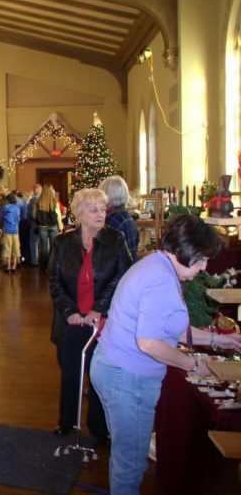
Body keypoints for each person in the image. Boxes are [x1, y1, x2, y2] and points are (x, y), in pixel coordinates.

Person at [90, 214, 241, 493]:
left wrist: (223, 341)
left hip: (118, 369)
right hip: (127, 376)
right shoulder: (159, 279)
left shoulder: (158, 267)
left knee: (128, 457)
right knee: (131, 464)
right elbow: (148, 342)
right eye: (203, 260)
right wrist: (194, 363)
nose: (205, 267)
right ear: (187, 253)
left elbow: (173, 329)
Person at [47, 188, 132, 444]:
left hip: (103, 323)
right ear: (79, 214)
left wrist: (99, 308)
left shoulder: (116, 239)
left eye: (103, 209)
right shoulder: (63, 242)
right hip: (71, 321)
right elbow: (54, 280)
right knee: (71, 373)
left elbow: (123, 277)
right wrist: (69, 311)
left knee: (99, 377)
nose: (100, 214)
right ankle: (68, 423)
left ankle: (99, 428)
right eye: (93, 210)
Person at [98, 175, 140, 261]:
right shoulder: (126, 216)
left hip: (119, 272)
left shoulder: (111, 219)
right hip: (130, 269)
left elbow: (106, 254)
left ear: (108, 195)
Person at [34, 185, 61, 268]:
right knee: (53, 247)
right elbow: (58, 215)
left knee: (44, 247)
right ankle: (52, 265)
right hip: (53, 226)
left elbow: (34, 215)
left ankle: (44, 265)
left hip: (42, 226)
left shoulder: (38, 202)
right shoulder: (54, 202)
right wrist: (60, 226)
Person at [0, 192, 21, 273]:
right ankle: (14, 267)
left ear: (7, 200)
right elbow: (19, 218)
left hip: (7, 230)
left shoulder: (5, 208)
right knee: (15, 248)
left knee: (7, 247)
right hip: (15, 230)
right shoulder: (17, 208)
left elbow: (1, 218)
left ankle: (8, 266)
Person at [26, 184, 42, 265]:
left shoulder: (33, 199)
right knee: (43, 242)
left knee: (34, 242)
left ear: (35, 190)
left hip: (35, 223)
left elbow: (29, 212)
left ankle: (35, 261)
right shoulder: (46, 198)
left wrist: (29, 221)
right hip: (46, 224)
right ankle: (43, 259)